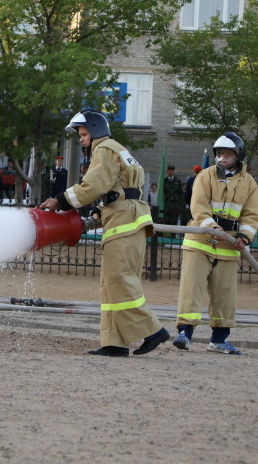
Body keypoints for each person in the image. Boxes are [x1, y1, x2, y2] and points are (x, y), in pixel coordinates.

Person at [39, 110, 168, 357]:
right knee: (111, 284)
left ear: (96, 129)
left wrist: (60, 200)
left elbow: (94, 185)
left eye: (84, 133)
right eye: (80, 135)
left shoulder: (105, 149)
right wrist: (99, 210)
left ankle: (153, 331)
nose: (82, 139)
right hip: (124, 217)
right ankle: (115, 343)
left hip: (124, 221)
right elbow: (121, 188)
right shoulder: (118, 149)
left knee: (118, 280)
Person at [173, 132, 258, 355]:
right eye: (220, 153)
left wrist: (243, 236)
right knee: (191, 288)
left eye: (228, 153)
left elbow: (252, 215)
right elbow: (199, 208)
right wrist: (214, 228)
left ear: (238, 155)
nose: (222, 158)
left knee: (225, 294)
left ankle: (219, 340)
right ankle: (184, 334)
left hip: (229, 245)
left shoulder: (249, 183)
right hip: (199, 240)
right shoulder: (205, 176)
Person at [163, 164, 184, 229]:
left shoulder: (178, 181)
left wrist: (180, 205)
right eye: (169, 170)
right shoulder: (164, 181)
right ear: (167, 171)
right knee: (166, 221)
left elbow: (180, 194)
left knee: (174, 222)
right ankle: (166, 236)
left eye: (172, 170)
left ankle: (173, 236)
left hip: (175, 206)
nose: (171, 172)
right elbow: (163, 192)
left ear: (174, 171)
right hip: (167, 205)